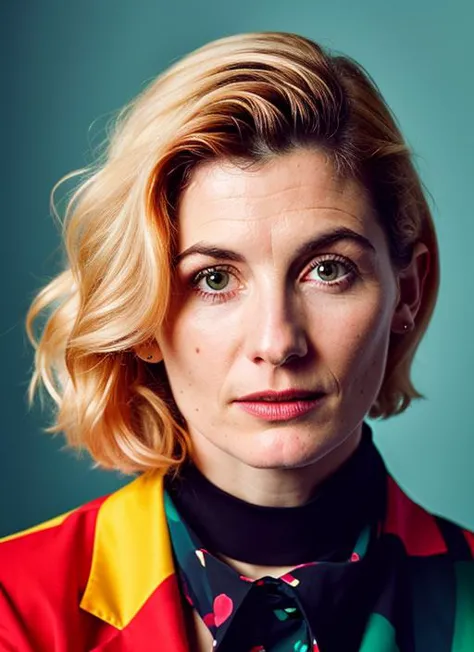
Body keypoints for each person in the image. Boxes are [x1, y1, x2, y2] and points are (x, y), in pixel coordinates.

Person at [0, 30, 472, 652]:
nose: (277, 343)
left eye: (328, 269)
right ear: (142, 311)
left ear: (406, 292)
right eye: (214, 279)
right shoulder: (15, 604)